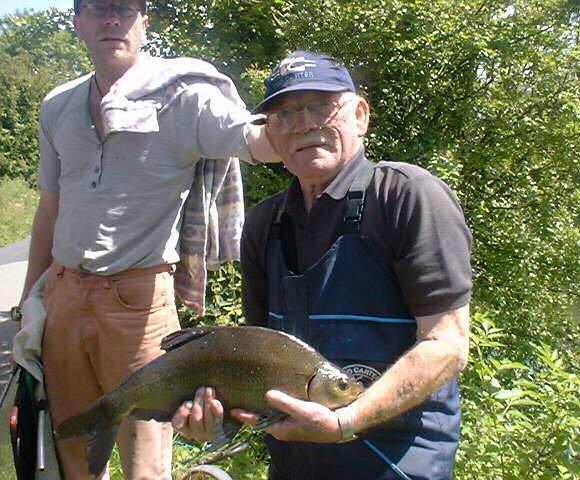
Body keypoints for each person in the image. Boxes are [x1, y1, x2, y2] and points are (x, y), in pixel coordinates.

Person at [173, 51, 473, 480]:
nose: (305, 123)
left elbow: (447, 346)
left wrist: (344, 423)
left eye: (321, 106)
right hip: (295, 464)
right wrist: (212, 418)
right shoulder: (264, 224)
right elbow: (258, 359)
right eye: (286, 113)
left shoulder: (408, 197)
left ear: (360, 116)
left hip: (399, 464)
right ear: (270, 137)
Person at [16, 1, 279, 479]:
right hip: (64, 297)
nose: (111, 19)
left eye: (125, 8)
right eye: (97, 8)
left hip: (137, 303)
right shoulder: (58, 105)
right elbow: (50, 208)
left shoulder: (185, 97)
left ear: (144, 22)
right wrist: (27, 303)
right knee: (69, 445)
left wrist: (298, 124)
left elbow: (251, 137)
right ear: (77, 22)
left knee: (145, 457)